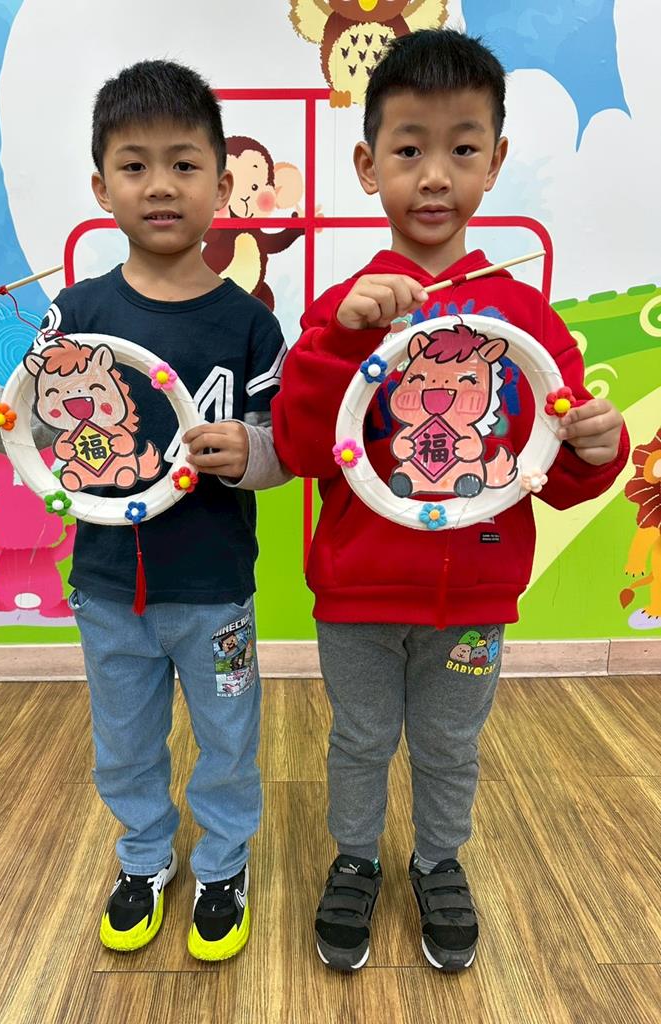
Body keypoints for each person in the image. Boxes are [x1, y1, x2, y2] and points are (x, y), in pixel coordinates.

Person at [0, 59, 291, 962]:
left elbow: (282, 446)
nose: (161, 185)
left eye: (184, 164)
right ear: (101, 187)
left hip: (215, 590)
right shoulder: (75, 311)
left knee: (229, 740)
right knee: (123, 744)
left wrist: (253, 453)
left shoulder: (250, 324)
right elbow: (21, 429)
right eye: (135, 165)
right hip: (107, 587)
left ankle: (223, 863)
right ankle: (144, 857)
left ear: (221, 185)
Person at [271, 29, 628, 973]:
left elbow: (558, 468)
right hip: (357, 593)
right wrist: (341, 343)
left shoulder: (526, 318)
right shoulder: (339, 308)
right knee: (358, 741)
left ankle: (437, 861)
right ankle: (354, 859)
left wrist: (599, 447)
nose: (434, 175)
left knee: (448, 744)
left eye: (462, 148)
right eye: (408, 149)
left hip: (473, 597)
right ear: (368, 165)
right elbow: (302, 449)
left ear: (494, 162)